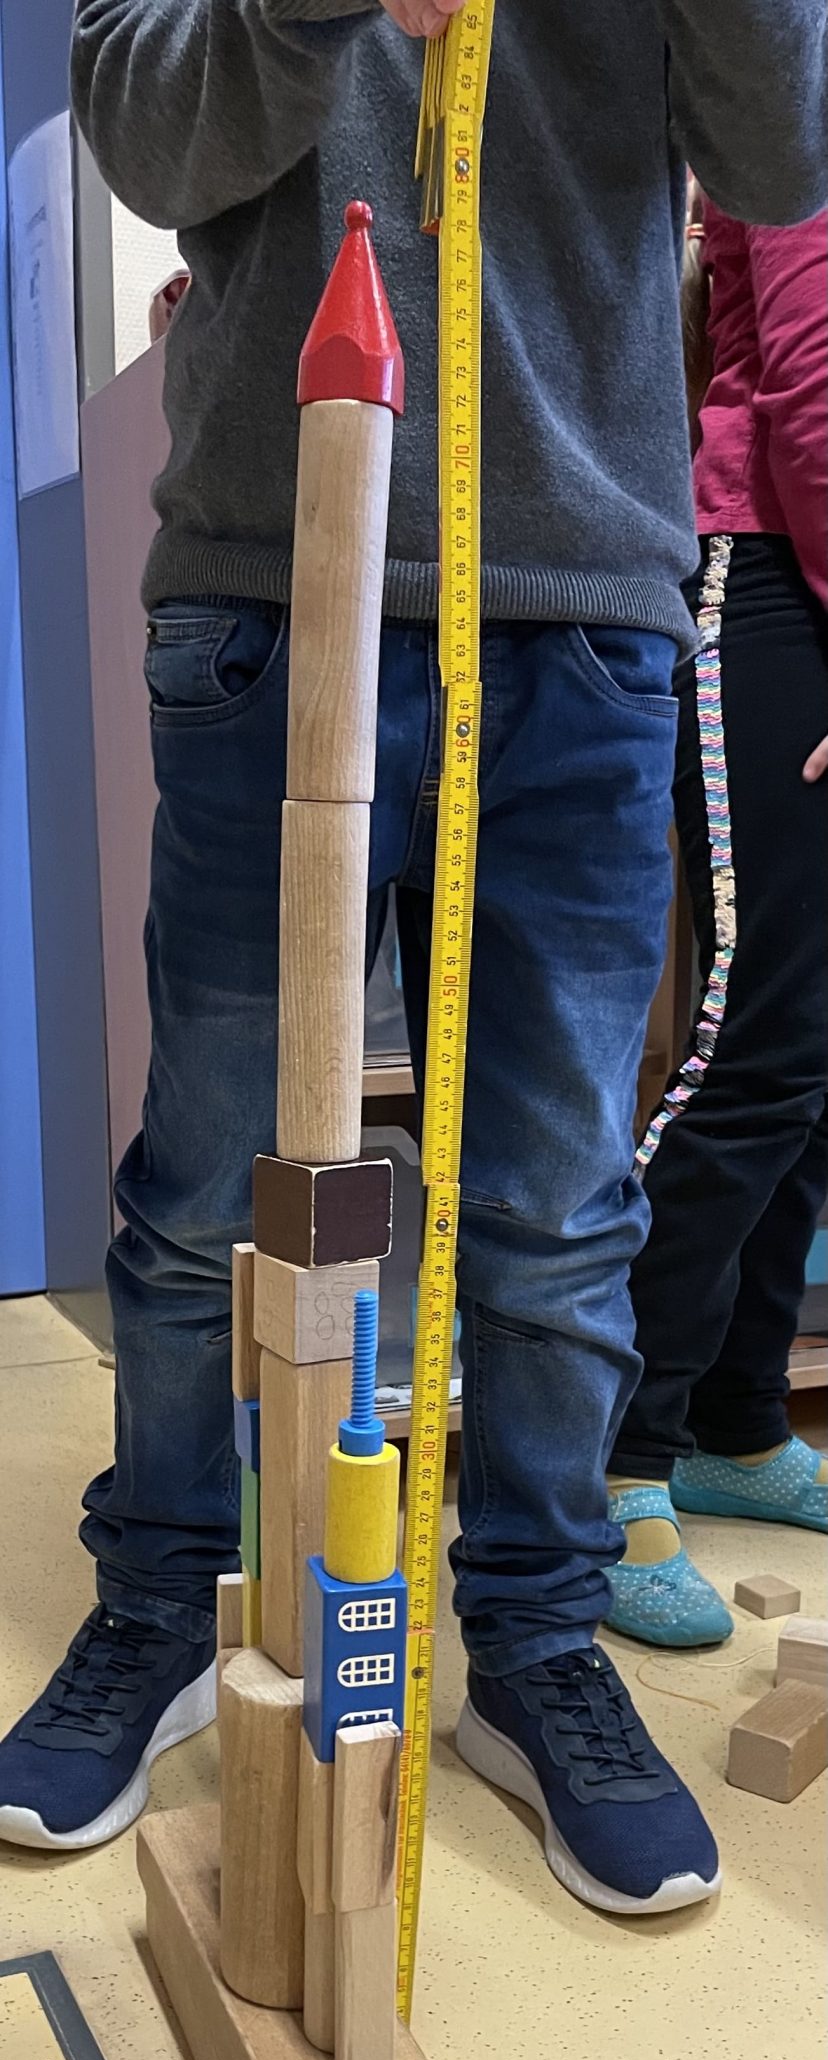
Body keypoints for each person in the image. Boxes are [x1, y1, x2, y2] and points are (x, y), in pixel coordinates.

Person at [0, 0, 825, 1914]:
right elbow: (151, 142)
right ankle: (162, 1597)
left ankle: (531, 1636)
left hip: (585, 609)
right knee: (208, 1183)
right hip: (271, 579)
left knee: (555, 1200)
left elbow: (782, 158)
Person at [606, 196, 828, 1649]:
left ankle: (737, 1420)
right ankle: (609, 1455)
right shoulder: (803, 93)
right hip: (771, 574)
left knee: (815, 1061)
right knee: (754, 1050)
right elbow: (811, 375)